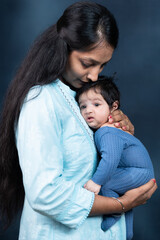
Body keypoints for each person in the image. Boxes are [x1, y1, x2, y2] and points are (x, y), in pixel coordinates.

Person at [0, 2, 157, 240]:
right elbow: (46, 193)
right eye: (87, 63)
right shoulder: (41, 102)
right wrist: (121, 204)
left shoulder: (84, 97)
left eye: (102, 65)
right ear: (64, 48)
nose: (94, 75)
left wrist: (121, 132)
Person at [76, 76, 155, 240]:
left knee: (109, 183)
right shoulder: (107, 130)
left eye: (96, 105)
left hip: (138, 171)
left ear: (114, 107)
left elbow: (110, 160)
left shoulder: (107, 131)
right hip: (138, 171)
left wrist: (95, 182)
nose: (88, 110)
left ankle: (114, 213)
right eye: (83, 106)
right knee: (121, 193)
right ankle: (127, 232)